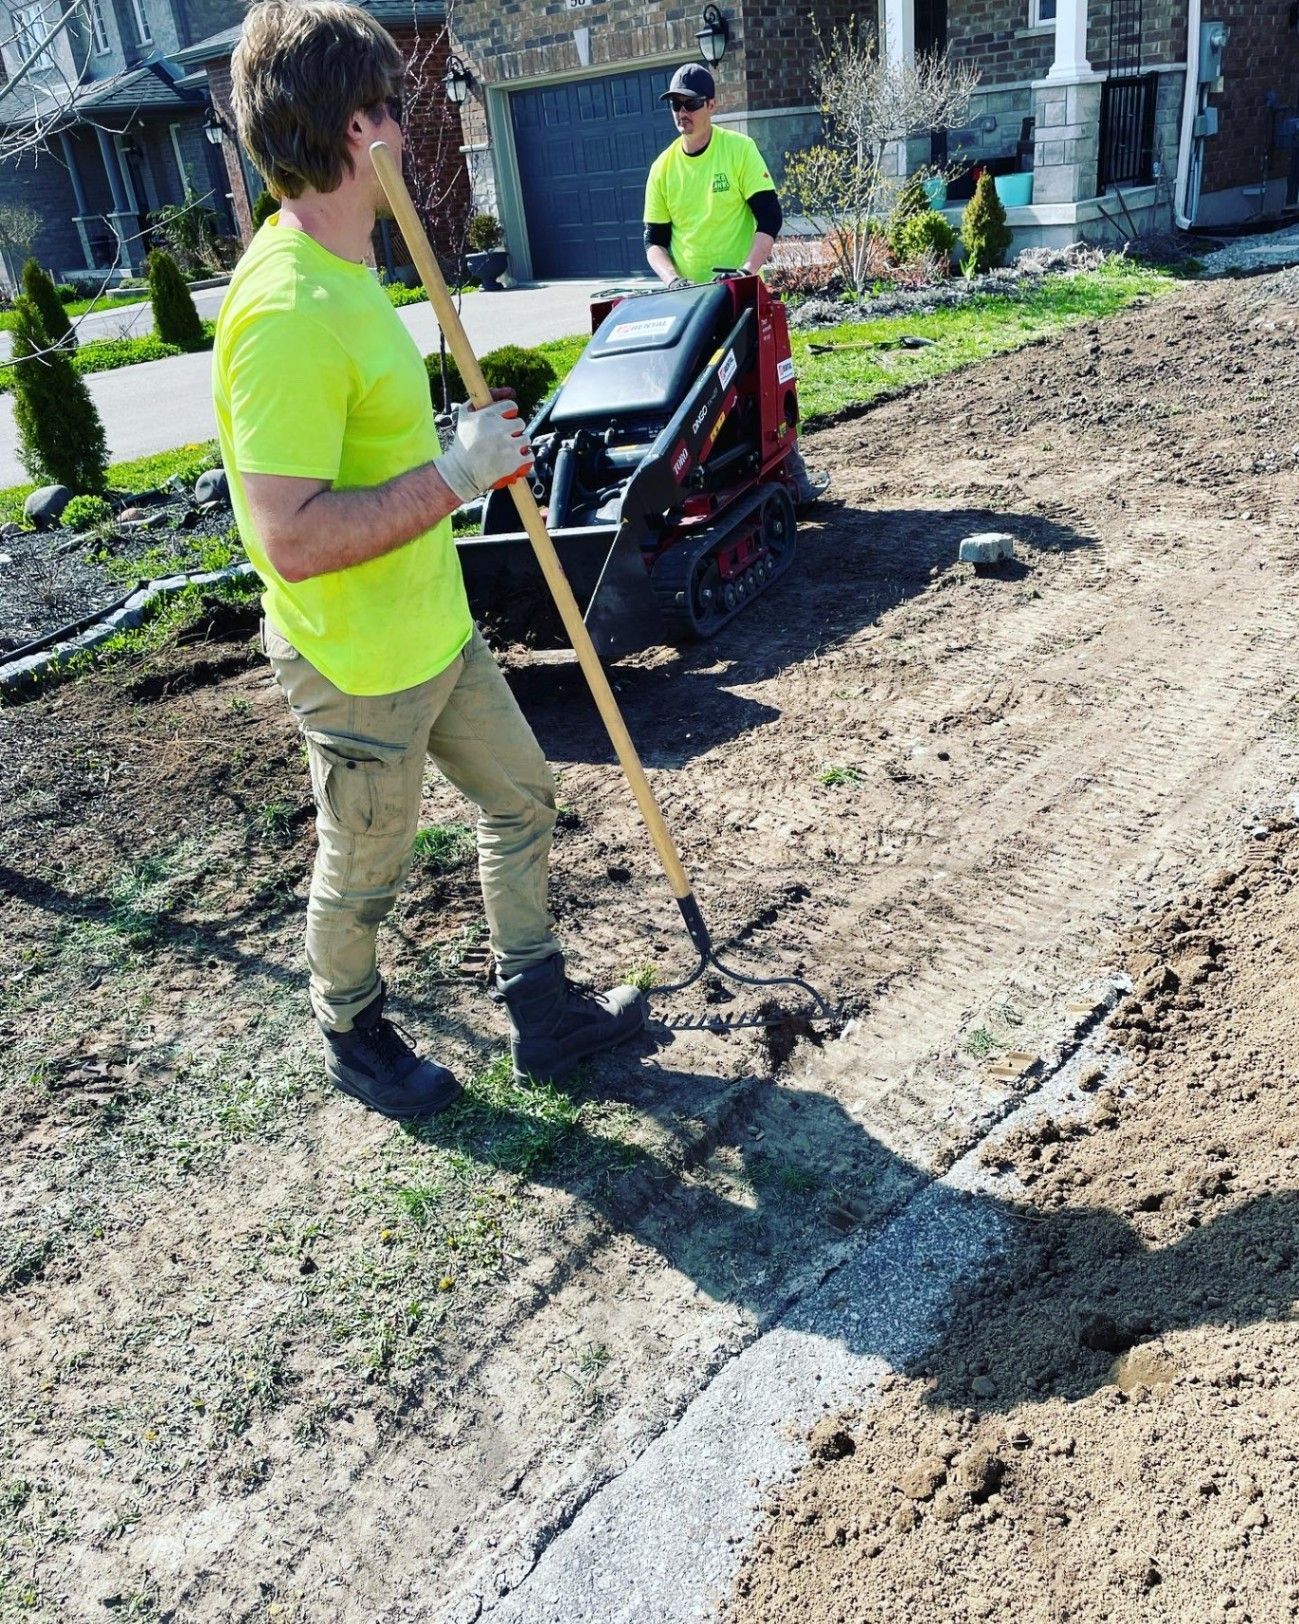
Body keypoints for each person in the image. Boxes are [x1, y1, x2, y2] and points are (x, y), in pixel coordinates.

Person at [216, 0, 645, 1122]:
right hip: (358, 664)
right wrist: (456, 478)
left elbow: (378, 452)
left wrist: (465, 446)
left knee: (523, 798)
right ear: (362, 132)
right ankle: (351, 1030)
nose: (409, 128)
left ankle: (539, 1008)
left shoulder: (353, 266)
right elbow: (292, 539)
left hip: (438, 628)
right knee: (365, 872)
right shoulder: (285, 311)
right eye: (394, 108)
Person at [643, 63, 829, 505]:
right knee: (693, 393)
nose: (681, 112)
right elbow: (654, 241)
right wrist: (672, 279)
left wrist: (749, 270)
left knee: (762, 385)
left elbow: (770, 216)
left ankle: (792, 474)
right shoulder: (663, 168)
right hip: (689, 300)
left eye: (690, 104)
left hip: (739, 296)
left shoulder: (738, 151)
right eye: (675, 104)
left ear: (711, 105)